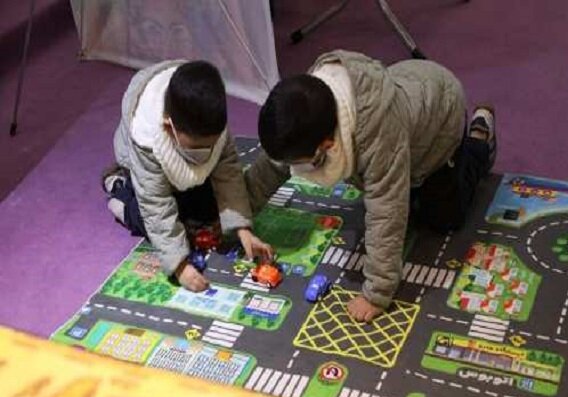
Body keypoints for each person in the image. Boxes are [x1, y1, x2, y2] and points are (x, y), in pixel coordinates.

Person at [245, 50, 496, 322]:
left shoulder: (377, 136)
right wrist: (238, 214)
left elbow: (386, 210)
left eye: (305, 163)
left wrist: (377, 293)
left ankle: (479, 140)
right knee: (397, 190)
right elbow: (273, 165)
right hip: (409, 97)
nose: (297, 169)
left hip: (441, 120)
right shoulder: (307, 109)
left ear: (327, 145)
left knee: (443, 217)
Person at [103, 60, 272, 292]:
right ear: (168, 128)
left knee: (210, 215)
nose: (206, 151)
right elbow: (155, 203)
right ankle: (119, 190)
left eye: (211, 145)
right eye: (196, 147)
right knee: (156, 223)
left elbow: (229, 174)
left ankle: (189, 191)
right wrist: (179, 265)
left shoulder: (211, 122)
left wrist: (242, 229)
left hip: (186, 171)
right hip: (145, 174)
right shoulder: (147, 138)